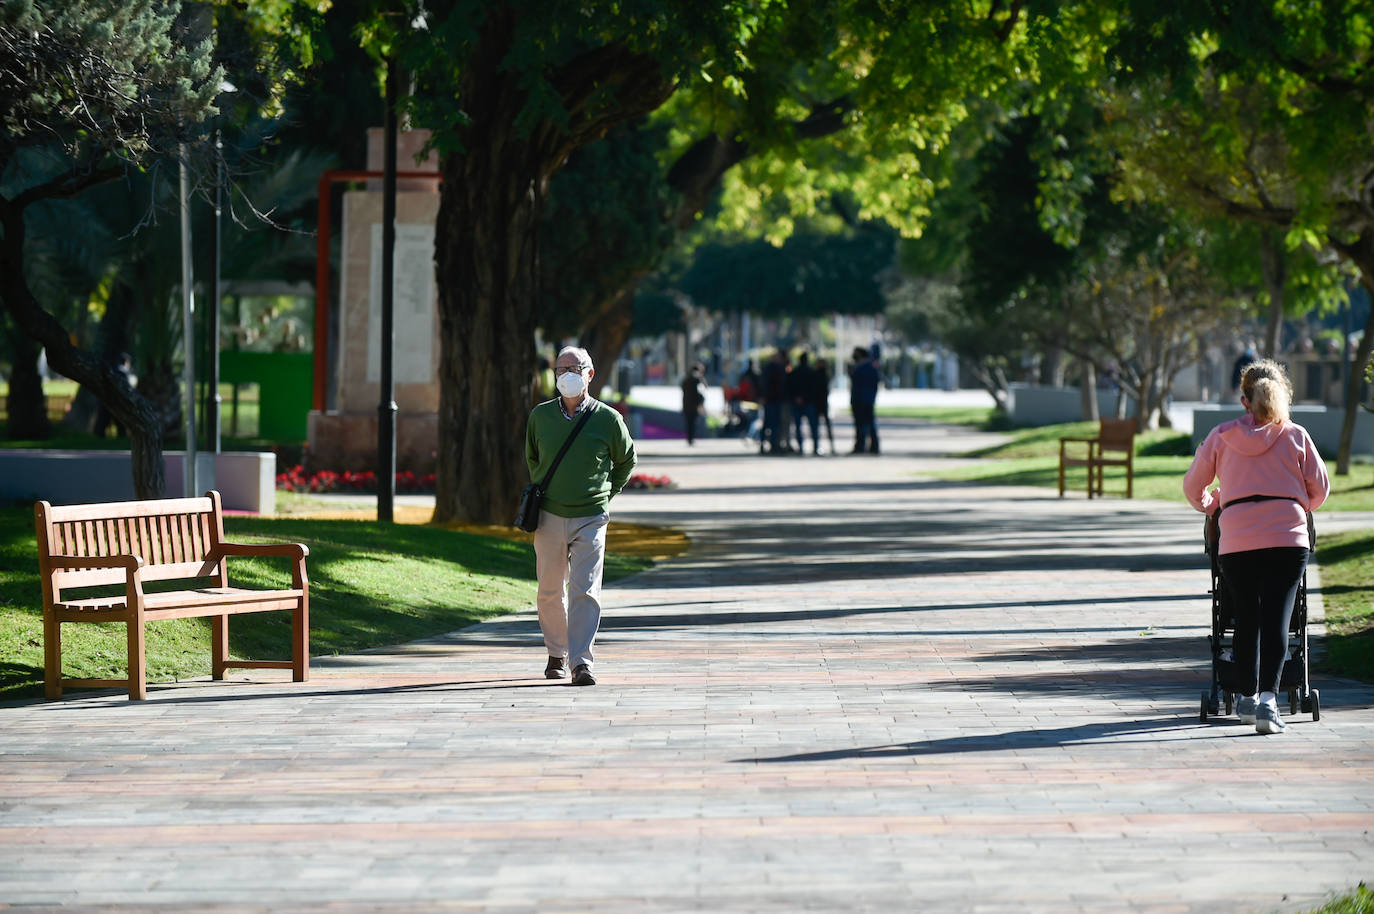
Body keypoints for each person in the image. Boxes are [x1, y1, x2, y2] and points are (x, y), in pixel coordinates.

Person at [1183, 359, 1329, 734]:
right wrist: (1296, 504)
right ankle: (1267, 702)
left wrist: (1214, 504)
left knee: (1246, 617)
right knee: (1277, 617)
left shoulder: (1221, 436)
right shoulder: (1296, 435)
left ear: (1244, 399)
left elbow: (1193, 487)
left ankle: (1246, 698)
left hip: (1237, 539)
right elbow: (1320, 489)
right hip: (1287, 537)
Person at [525, 346, 637, 686]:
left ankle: (581, 662)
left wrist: (606, 494)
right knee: (549, 590)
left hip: (591, 516)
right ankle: (556, 652)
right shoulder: (540, 416)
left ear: (590, 374)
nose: (567, 375)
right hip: (549, 515)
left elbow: (626, 460)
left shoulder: (608, 419)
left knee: (585, 590)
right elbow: (533, 458)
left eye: (574, 368)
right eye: (560, 369)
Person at [848, 346, 880, 454]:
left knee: (865, 424)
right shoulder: (865, 367)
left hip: (863, 400)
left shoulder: (865, 368)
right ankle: (866, 446)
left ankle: (865, 446)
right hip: (864, 400)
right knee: (864, 424)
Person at [788, 351, 820, 455]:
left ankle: (801, 447)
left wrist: (797, 398)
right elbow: (814, 389)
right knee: (813, 426)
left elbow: (790, 387)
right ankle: (815, 447)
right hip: (809, 402)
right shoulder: (811, 372)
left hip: (798, 402)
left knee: (798, 426)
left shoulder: (795, 372)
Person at [810, 356, 835, 454]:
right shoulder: (823, 374)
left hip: (820, 402)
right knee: (817, 426)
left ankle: (820, 446)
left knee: (818, 426)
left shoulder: (821, 374)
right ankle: (818, 446)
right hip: (820, 402)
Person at [679, 362, 706, 445]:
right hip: (693, 406)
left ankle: (689, 439)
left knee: (689, 423)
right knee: (692, 423)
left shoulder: (686, 380)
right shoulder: (695, 380)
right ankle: (690, 439)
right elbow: (705, 386)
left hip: (687, 405)